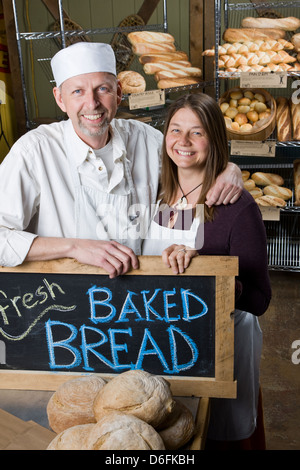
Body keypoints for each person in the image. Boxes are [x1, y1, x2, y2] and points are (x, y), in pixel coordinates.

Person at [0, 42, 242, 278]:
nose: (92, 103)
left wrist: (228, 168)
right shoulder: (34, 152)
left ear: (118, 92)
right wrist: (73, 247)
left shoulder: (146, 140)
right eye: (77, 91)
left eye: (102, 89)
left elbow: (187, 188)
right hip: (62, 300)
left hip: (140, 301)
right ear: (60, 98)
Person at [142, 93, 272, 450]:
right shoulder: (152, 194)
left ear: (214, 139)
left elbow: (260, 299)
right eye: (175, 130)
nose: (183, 142)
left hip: (224, 345)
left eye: (196, 133)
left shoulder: (235, 206)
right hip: (166, 339)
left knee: (221, 434)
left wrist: (205, 270)